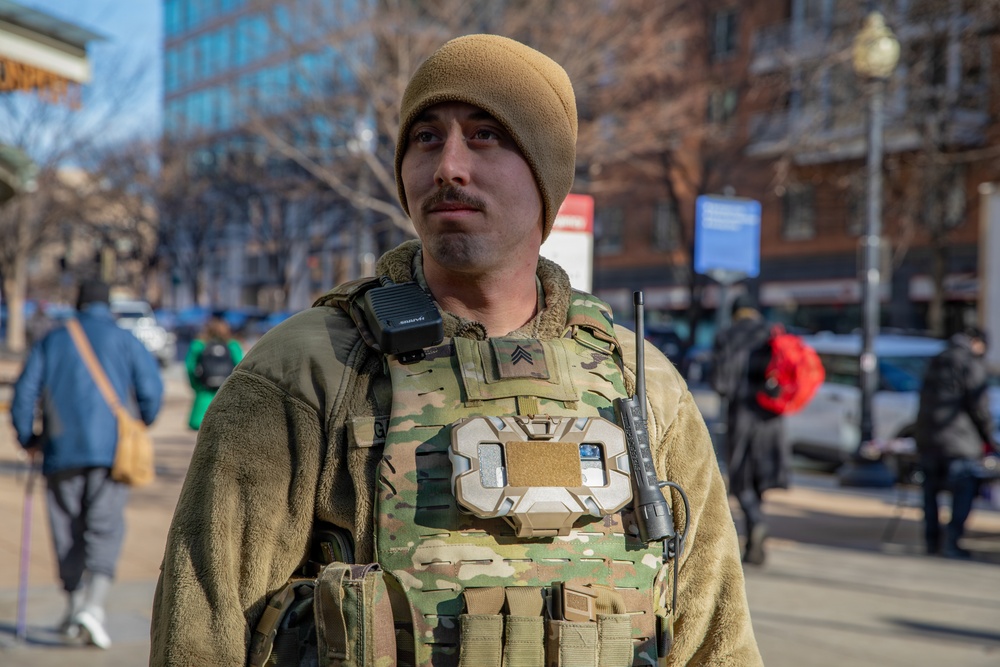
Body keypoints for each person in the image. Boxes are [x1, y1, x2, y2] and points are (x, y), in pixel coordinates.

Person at [151, 34, 761, 666]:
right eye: (426, 138)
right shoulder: (306, 370)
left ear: (545, 172)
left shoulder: (643, 382)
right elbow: (201, 631)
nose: (448, 166)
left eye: (486, 134)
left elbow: (716, 638)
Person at [11, 279, 163, 649]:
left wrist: (28, 437)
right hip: (112, 450)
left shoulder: (53, 339)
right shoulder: (125, 339)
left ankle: (76, 607)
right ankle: (93, 608)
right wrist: (139, 419)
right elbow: (152, 391)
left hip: (60, 447)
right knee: (104, 527)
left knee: (67, 529)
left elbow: (24, 393)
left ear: (77, 304)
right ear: (107, 304)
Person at [710, 293, 788, 566]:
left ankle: (755, 521)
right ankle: (757, 540)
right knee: (759, 477)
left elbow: (720, 384)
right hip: (770, 417)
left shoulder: (727, 335)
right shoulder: (772, 333)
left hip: (741, 416)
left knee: (741, 477)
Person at [915, 325, 999, 559]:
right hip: (960, 442)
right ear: (977, 343)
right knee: (962, 491)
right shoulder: (970, 363)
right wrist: (989, 440)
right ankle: (953, 542)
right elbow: (979, 407)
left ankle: (931, 542)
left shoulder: (936, 359)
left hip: (929, 439)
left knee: (930, 493)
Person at [185, 316, 243, 430]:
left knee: (199, 430)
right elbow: (240, 368)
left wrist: (196, 386)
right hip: (227, 397)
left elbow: (190, 368)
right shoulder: (233, 345)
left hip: (203, 397)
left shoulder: (199, 345)